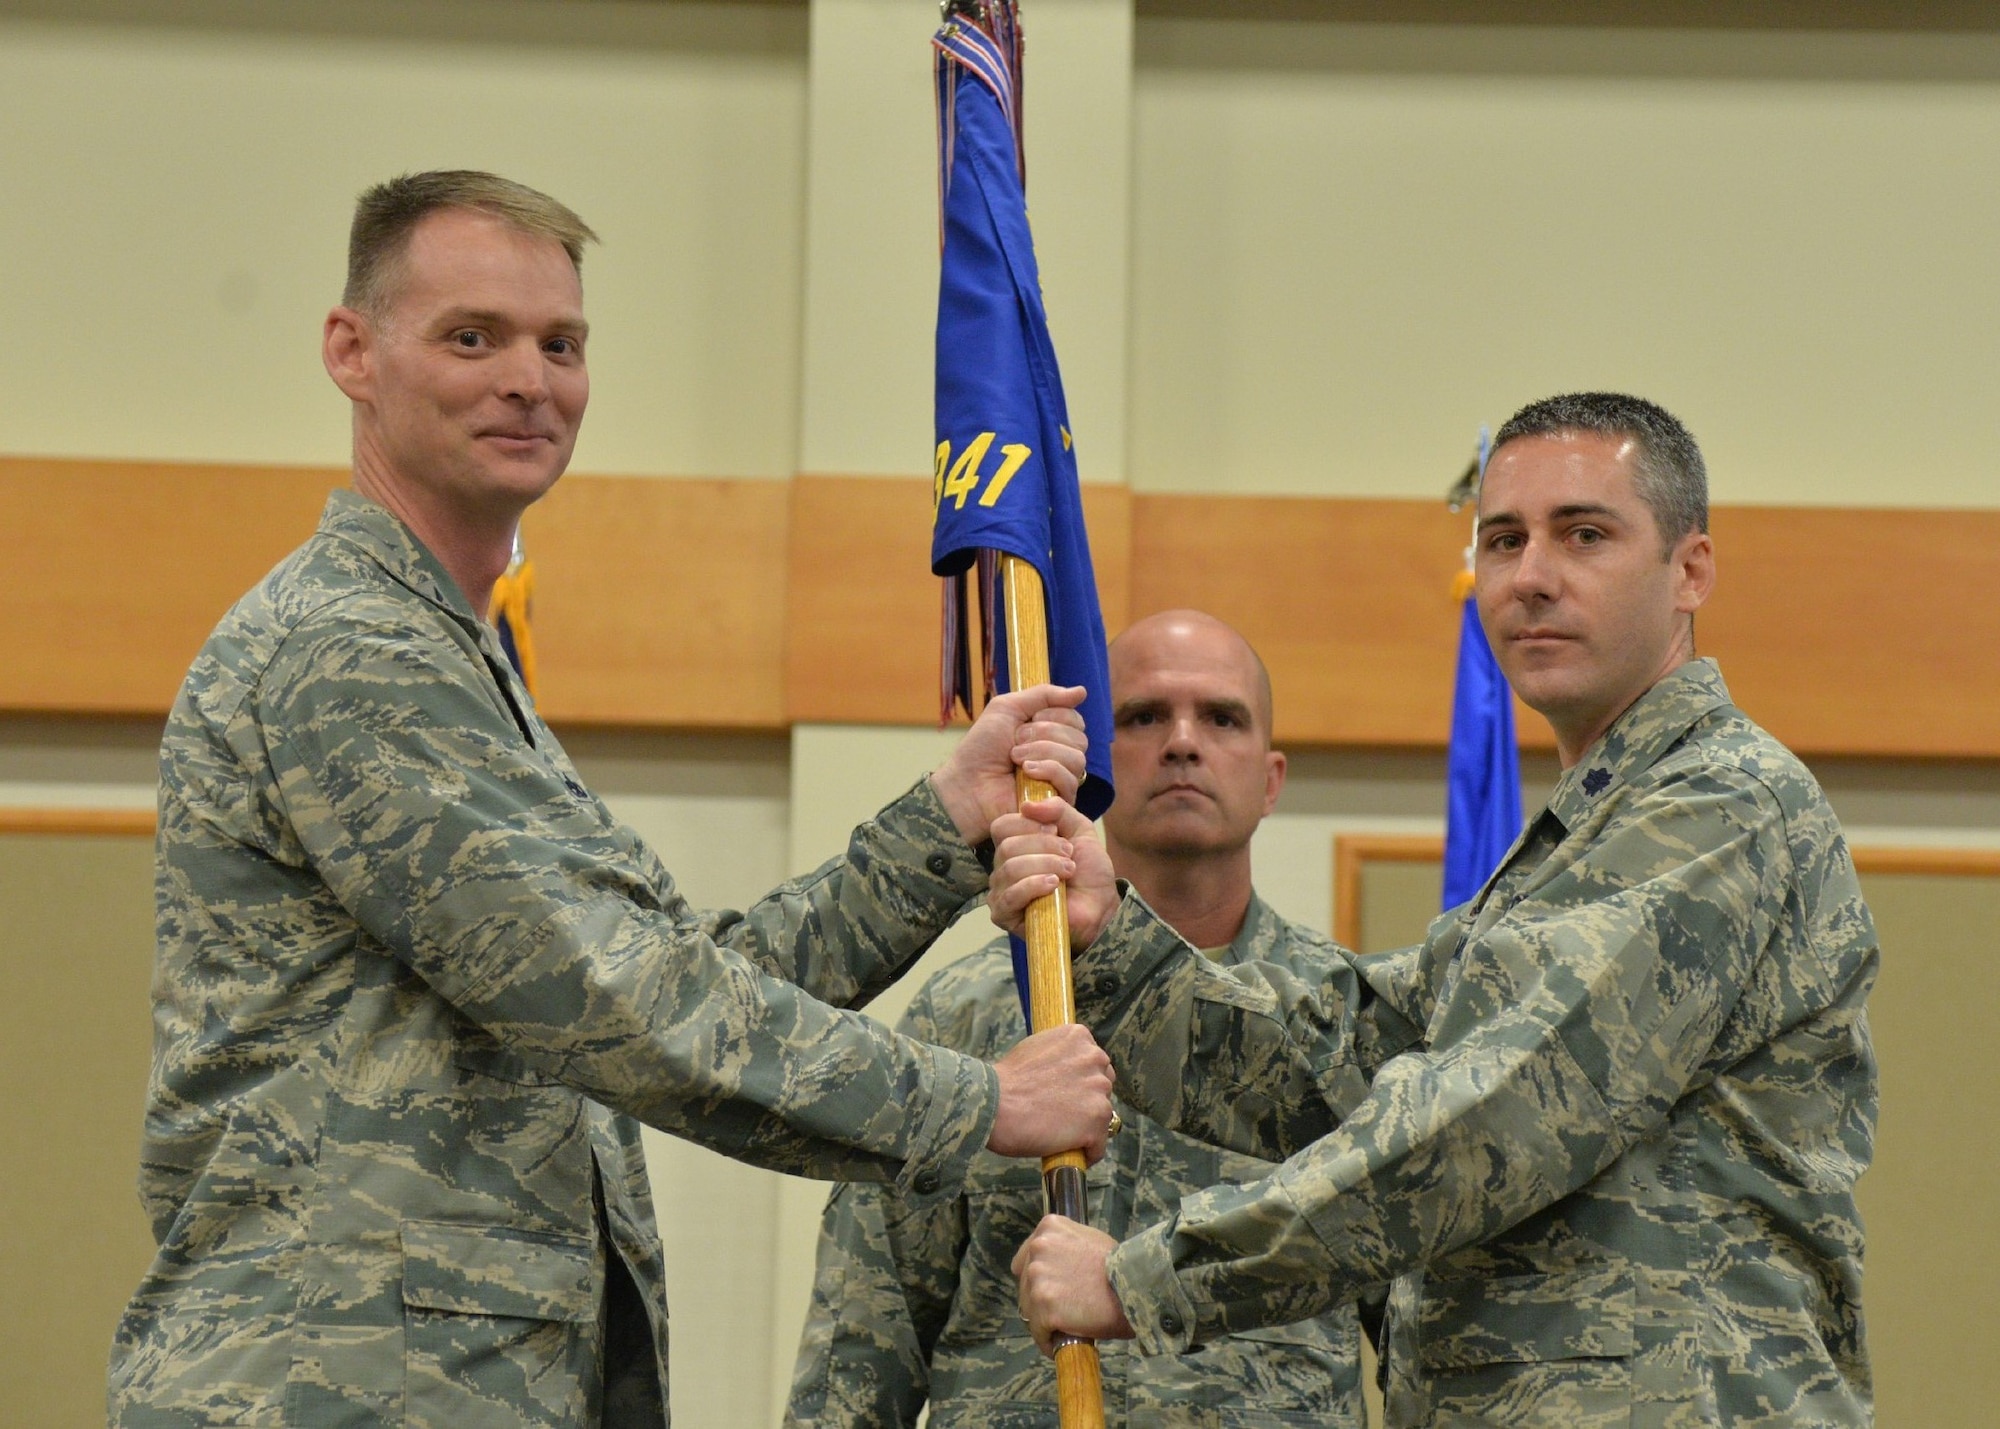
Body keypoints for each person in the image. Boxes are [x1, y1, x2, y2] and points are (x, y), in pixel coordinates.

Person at [110, 170, 1117, 1429]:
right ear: (351, 351)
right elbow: (621, 1005)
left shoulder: (452, 663)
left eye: (561, 343)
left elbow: (676, 972)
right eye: (471, 336)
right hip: (341, 1387)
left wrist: (938, 825)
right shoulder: (348, 649)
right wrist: (981, 1103)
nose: (529, 378)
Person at [998, 393, 1879, 1427]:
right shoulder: (1580, 836)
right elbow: (1352, 1055)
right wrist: (1113, 941)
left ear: (1688, 571)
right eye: (1502, 540)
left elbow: (1488, 1118)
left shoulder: (1722, 803)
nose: (1531, 576)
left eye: (1583, 534)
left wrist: (1148, 1281)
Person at [787, 611, 1406, 1428]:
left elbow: (1421, 1330)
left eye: (1221, 718)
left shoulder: (1339, 1028)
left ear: (1271, 776)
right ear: (1097, 758)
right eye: (1143, 716)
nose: (1182, 742)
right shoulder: (967, 1017)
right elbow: (866, 1331)